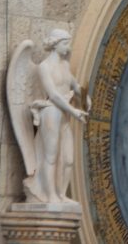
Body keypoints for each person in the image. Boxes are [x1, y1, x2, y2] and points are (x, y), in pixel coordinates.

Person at [25, 29, 88, 205]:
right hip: (51, 113)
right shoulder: (44, 67)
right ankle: (50, 194)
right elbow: (53, 95)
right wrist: (74, 111)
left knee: (68, 159)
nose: (68, 48)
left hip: (65, 114)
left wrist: (84, 97)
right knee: (50, 156)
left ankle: (61, 194)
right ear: (55, 44)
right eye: (65, 44)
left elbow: (74, 85)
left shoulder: (65, 66)